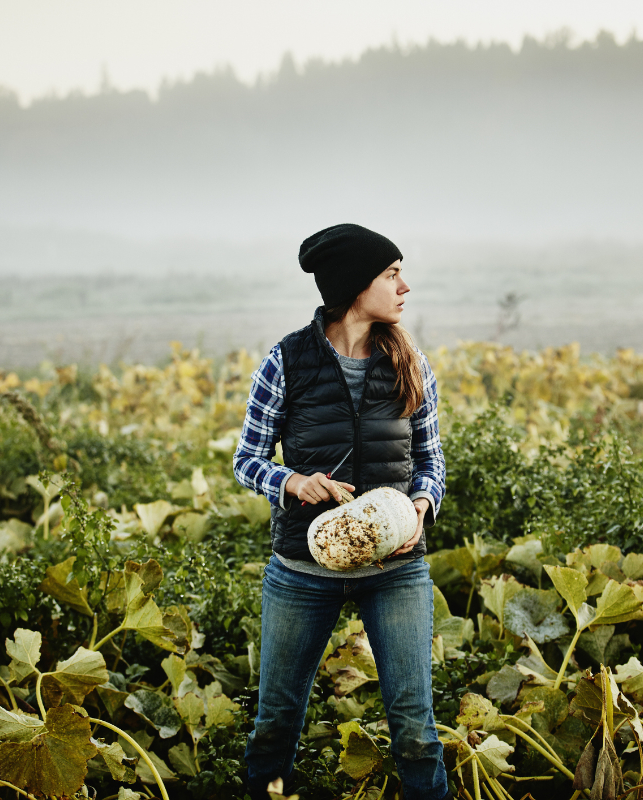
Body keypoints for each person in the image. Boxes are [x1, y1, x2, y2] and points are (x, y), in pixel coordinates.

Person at [232, 224, 449, 799]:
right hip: (302, 574)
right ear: (356, 286)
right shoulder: (287, 361)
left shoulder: (412, 363)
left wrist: (420, 508)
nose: (405, 286)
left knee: (415, 730)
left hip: (396, 573)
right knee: (276, 723)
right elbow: (247, 459)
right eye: (391, 274)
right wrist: (293, 481)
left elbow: (431, 462)